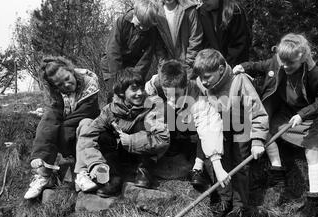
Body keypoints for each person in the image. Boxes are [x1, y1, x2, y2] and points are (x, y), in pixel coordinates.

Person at [233, 33, 318, 217]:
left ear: (301, 57)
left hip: (312, 115)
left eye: (290, 64)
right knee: (264, 125)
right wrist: (242, 67)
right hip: (288, 112)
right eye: (282, 62)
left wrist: (303, 114)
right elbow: (259, 65)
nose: (285, 67)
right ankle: (277, 170)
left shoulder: (316, 74)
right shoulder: (279, 61)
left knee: (311, 153)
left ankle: (314, 200)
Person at [193, 49, 269, 217]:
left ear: (220, 69)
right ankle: (224, 201)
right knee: (219, 163)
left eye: (208, 76)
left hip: (242, 126)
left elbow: (258, 113)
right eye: (201, 77)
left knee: (240, 164)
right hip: (219, 127)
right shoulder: (202, 84)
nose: (204, 81)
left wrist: (258, 140)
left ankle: (239, 206)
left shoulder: (239, 81)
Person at [74, 70, 170, 198]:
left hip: (143, 153)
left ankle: (144, 170)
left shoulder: (153, 105)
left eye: (141, 88)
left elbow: (163, 139)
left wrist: (131, 140)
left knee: (144, 126)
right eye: (134, 89)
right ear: (121, 92)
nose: (140, 93)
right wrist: (95, 163)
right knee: (102, 135)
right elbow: (89, 135)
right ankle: (114, 177)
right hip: (120, 153)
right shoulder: (110, 110)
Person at [145, 59, 228, 192]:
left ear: (185, 86)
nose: (171, 99)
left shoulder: (197, 95)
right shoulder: (156, 82)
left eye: (176, 94)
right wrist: (156, 102)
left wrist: (218, 166)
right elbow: (148, 91)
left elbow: (207, 128)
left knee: (203, 130)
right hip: (174, 119)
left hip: (192, 122)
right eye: (167, 93)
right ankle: (169, 150)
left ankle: (197, 164)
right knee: (164, 109)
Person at [24, 56, 100, 200]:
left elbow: (85, 113)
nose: (66, 85)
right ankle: (43, 172)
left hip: (87, 124)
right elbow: (52, 120)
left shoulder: (90, 83)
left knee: (84, 124)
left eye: (67, 78)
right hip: (68, 124)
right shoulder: (57, 94)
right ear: (55, 87)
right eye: (60, 84)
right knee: (48, 120)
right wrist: (40, 154)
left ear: (71, 70)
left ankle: (81, 173)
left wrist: (62, 138)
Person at [101, 0, 158, 101]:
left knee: (134, 95)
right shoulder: (121, 22)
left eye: (147, 26)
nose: (143, 29)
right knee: (115, 95)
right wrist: (118, 78)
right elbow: (113, 51)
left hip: (133, 68)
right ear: (134, 14)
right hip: (112, 67)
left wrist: (135, 78)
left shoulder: (152, 32)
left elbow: (145, 59)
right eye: (140, 25)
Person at [194, 0, 250, 70]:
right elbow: (205, 43)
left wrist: (227, 67)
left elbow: (240, 43)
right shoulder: (201, 13)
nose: (203, 2)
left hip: (235, 65)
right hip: (213, 67)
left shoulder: (234, 11)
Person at [154, 0, 203, 79]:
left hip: (188, 65)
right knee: (171, 94)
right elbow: (158, 44)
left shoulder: (188, 9)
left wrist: (188, 62)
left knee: (188, 93)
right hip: (167, 67)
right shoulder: (156, 14)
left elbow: (196, 37)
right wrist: (164, 64)